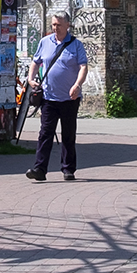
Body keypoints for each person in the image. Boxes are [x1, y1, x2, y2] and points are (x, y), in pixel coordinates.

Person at [24, 10, 89, 181]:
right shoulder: (45, 42)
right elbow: (35, 62)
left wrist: (77, 85)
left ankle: (68, 169)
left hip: (70, 98)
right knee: (45, 133)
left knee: (68, 134)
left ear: (68, 25)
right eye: (53, 24)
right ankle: (39, 169)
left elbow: (83, 67)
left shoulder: (76, 45)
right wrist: (31, 79)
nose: (55, 28)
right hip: (48, 98)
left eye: (59, 25)